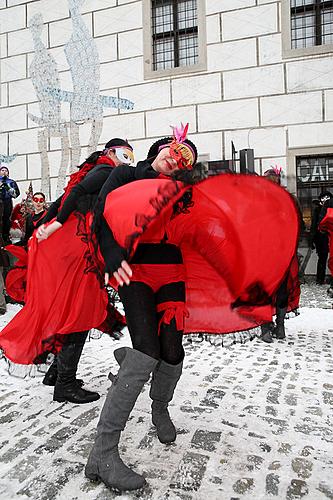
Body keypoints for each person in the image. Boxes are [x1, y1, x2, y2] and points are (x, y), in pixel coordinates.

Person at [84, 127, 300, 492]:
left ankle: (159, 407)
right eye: (176, 150)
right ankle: (103, 453)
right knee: (145, 354)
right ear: (163, 147)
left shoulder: (183, 196)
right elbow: (102, 216)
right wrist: (114, 256)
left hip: (171, 275)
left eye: (187, 160)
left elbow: (206, 239)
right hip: (134, 274)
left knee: (171, 351)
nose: (178, 158)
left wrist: (242, 279)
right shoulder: (126, 174)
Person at [0, 138, 133, 403]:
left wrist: (42, 228)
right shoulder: (106, 170)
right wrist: (56, 223)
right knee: (80, 313)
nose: (126, 159)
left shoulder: (91, 169)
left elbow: (61, 200)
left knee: (70, 309)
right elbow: (74, 196)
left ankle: (55, 373)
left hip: (68, 249)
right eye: (123, 154)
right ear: (109, 152)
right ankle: (65, 384)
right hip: (77, 252)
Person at [259, 167, 301, 343]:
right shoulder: (290, 199)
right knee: (281, 289)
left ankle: (267, 328)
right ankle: (280, 327)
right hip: (283, 251)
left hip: (265, 252)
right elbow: (300, 227)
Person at [309, 192, 332, 285]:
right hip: (321, 238)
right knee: (322, 258)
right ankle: (320, 279)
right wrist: (312, 239)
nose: (325, 199)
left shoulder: (330, 208)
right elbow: (314, 225)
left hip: (329, 236)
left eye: (327, 198)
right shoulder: (317, 210)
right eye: (323, 198)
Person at [0, 165, 20, 244]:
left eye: (6, 170)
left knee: (6, 219)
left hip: (7, 202)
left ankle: (5, 237)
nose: (4, 172)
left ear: (8, 173)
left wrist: (8, 188)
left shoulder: (11, 182)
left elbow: (16, 194)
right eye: (2, 170)